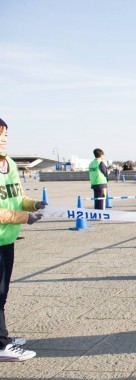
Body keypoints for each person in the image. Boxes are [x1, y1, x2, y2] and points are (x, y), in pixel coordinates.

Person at [0, 118, 47, 362]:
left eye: (5, 134)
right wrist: (24, 217)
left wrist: (33, 204)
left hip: (6, 239)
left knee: (3, 292)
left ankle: (2, 336)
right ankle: (1, 345)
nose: (4, 139)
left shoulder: (8, 163)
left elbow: (16, 197)